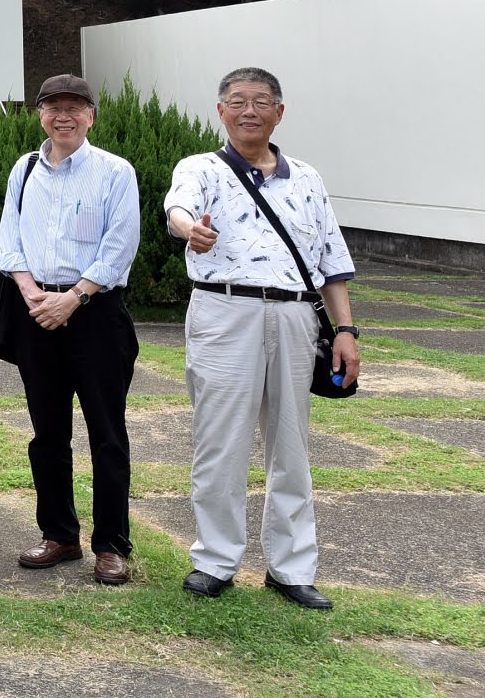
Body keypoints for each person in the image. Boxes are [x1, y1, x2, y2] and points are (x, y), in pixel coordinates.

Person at [167, 67, 362, 610]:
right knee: (220, 442)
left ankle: (292, 568)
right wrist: (190, 229)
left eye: (260, 102)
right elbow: (179, 207)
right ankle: (215, 560)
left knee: (292, 446)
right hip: (224, 310)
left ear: (280, 112)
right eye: (237, 102)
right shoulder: (201, 168)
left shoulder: (307, 179)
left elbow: (331, 262)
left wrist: (345, 330)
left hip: (297, 316)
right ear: (221, 112)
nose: (248, 111)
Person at [0, 73, 141, 586]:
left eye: (75, 107)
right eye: (53, 107)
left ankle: (111, 545)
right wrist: (30, 289)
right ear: (40, 115)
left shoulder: (115, 172)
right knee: (47, 433)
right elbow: (8, 238)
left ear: (91, 116)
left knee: (107, 433)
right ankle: (59, 534)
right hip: (36, 312)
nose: (64, 116)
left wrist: (74, 297)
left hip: (95, 314)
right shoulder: (25, 169)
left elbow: (120, 246)